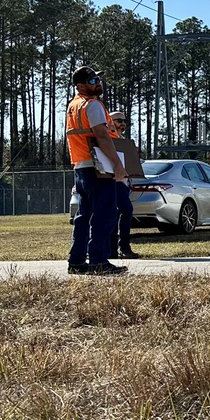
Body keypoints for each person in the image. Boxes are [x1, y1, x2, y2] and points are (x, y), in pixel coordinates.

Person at [65, 66, 128, 276]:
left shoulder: (74, 106)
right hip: (98, 167)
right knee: (105, 215)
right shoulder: (92, 105)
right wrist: (118, 166)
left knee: (84, 216)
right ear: (80, 86)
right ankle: (99, 261)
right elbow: (102, 135)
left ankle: (76, 262)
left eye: (98, 80)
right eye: (92, 81)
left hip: (82, 167)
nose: (97, 83)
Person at [108, 111, 140, 259]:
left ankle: (119, 248)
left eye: (124, 121)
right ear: (110, 121)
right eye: (118, 120)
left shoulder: (123, 141)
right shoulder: (107, 138)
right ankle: (118, 248)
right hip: (112, 181)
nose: (122, 124)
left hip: (124, 181)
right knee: (123, 211)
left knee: (122, 212)